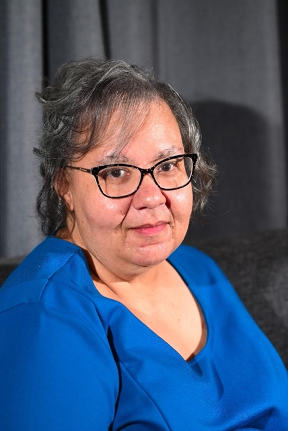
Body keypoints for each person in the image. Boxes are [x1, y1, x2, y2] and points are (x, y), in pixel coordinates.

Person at [0, 58, 287, 431]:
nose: (151, 197)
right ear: (64, 186)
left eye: (168, 165)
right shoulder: (40, 316)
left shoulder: (197, 267)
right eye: (116, 172)